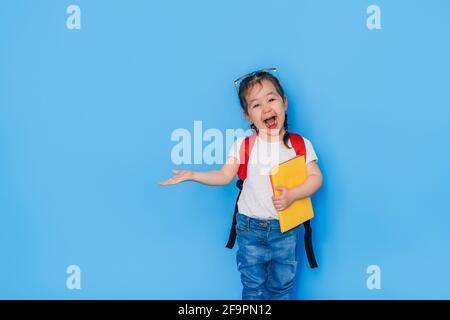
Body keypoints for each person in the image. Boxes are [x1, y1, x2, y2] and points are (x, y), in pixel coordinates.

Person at [160, 69, 323, 299]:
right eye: (256, 105)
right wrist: (194, 175)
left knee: (282, 287)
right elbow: (224, 176)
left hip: (285, 230)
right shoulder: (243, 146)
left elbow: (316, 178)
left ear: (284, 103)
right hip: (249, 228)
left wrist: (294, 194)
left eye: (271, 99)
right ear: (248, 116)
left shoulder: (300, 145)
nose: (266, 108)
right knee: (252, 287)